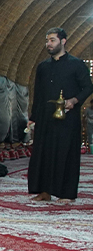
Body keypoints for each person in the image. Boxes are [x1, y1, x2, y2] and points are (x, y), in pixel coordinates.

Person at [27, 27, 93, 202]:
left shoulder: (76, 64)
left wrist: (74, 100)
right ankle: (44, 191)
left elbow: (88, 87)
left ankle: (66, 194)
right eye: (47, 40)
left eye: (52, 40)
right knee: (43, 153)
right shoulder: (42, 67)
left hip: (68, 118)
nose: (48, 44)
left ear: (63, 41)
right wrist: (33, 117)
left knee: (66, 154)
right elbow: (38, 94)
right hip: (45, 118)